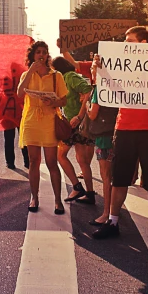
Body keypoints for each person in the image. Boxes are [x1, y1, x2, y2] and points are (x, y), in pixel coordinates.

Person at [93, 26, 148, 247]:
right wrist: (99, 70)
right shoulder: (121, 66)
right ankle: (113, 222)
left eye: (130, 41)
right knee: (119, 180)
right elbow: (105, 85)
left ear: (144, 44)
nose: (126, 45)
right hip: (125, 128)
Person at [17, 41, 68, 214]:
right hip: (31, 120)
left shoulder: (56, 75)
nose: (41, 55)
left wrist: (53, 101)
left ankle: (57, 200)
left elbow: (64, 100)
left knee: (52, 162)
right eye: (38, 52)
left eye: (44, 52)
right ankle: (34, 197)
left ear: (47, 55)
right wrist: (31, 71)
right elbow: (19, 93)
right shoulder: (27, 74)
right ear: (32, 55)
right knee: (33, 161)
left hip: (49, 120)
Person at [51, 56, 96, 204]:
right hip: (73, 124)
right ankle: (89, 193)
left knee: (61, 155)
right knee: (81, 159)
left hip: (77, 124)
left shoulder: (70, 76)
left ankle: (78, 187)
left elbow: (89, 91)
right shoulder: (63, 78)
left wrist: (79, 115)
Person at [86, 60, 119, 226]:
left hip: (103, 137)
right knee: (113, 176)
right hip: (116, 133)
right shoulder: (117, 86)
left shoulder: (100, 89)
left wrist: (85, 104)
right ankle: (113, 211)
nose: (91, 71)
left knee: (106, 177)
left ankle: (107, 213)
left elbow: (92, 114)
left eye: (93, 68)